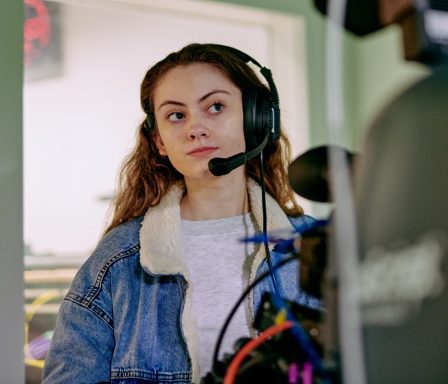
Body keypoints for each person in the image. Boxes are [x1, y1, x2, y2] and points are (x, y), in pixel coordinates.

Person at [42, 43, 318, 383]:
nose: (195, 128)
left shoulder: (314, 247)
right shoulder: (118, 259)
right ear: (159, 141)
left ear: (255, 119)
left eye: (215, 107)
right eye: (177, 115)